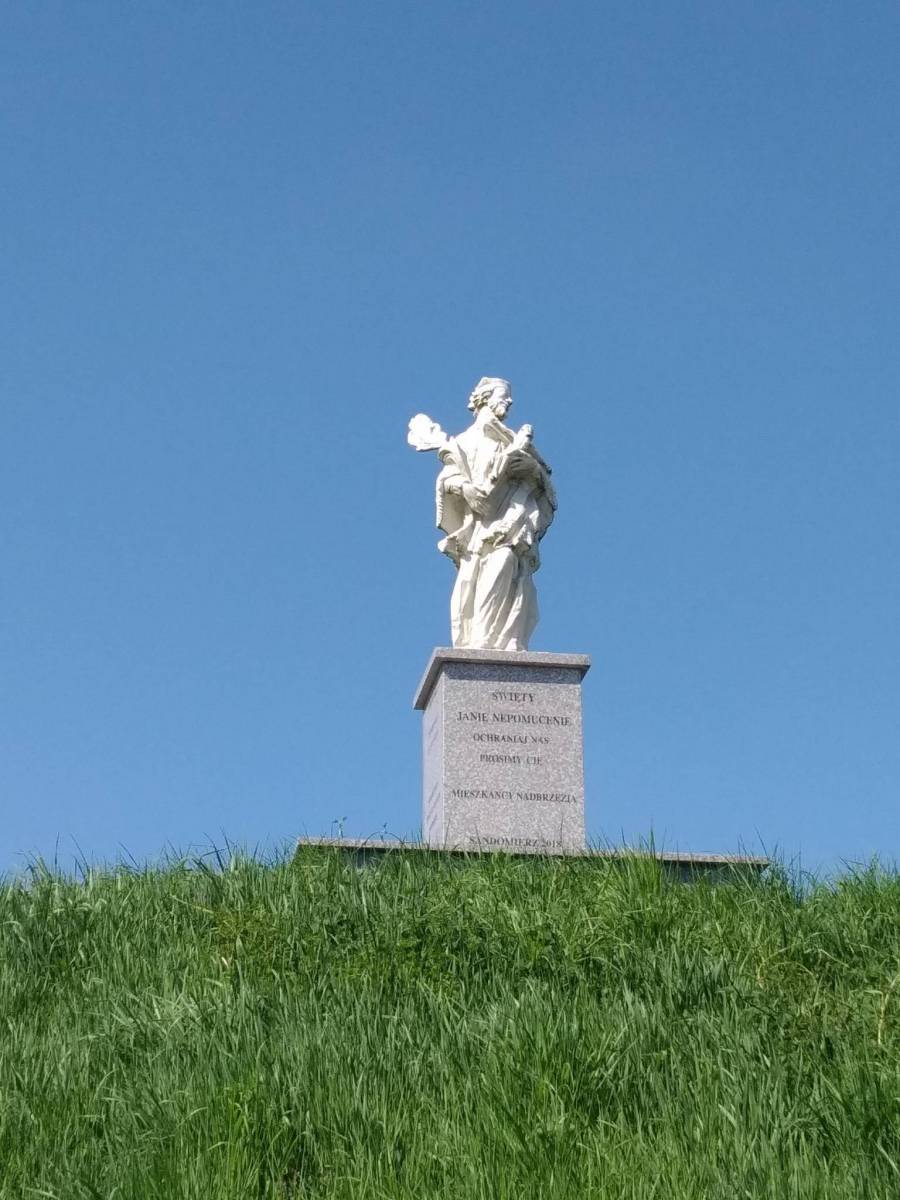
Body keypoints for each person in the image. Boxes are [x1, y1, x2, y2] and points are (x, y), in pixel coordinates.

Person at [418, 377, 556, 650]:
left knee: (510, 567)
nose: (509, 401)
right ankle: (481, 641)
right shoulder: (464, 442)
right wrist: (465, 489)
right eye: (503, 395)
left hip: (514, 523)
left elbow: (546, 486)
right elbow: (447, 479)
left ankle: (505, 639)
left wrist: (533, 471)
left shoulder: (512, 441)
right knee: (478, 578)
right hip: (479, 529)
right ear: (484, 398)